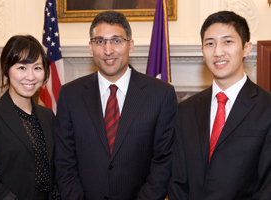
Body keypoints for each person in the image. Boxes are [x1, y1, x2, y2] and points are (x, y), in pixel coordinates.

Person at [54, 11, 177, 200]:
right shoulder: (70, 95)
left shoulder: (161, 94)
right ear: (90, 47)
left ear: (131, 45)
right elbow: (64, 162)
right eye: (100, 41)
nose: (108, 50)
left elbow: (163, 163)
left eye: (117, 41)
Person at [168, 11, 271, 199]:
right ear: (202, 51)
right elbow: (178, 182)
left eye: (227, 41)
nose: (217, 52)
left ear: (246, 48)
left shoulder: (267, 108)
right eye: (210, 43)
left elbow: (267, 187)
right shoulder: (186, 110)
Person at [0, 35, 59, 200]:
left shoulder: (48, 115)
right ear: (6, 68)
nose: (30, 76)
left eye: (37, 68)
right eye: (22, 68)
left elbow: (55, 170)